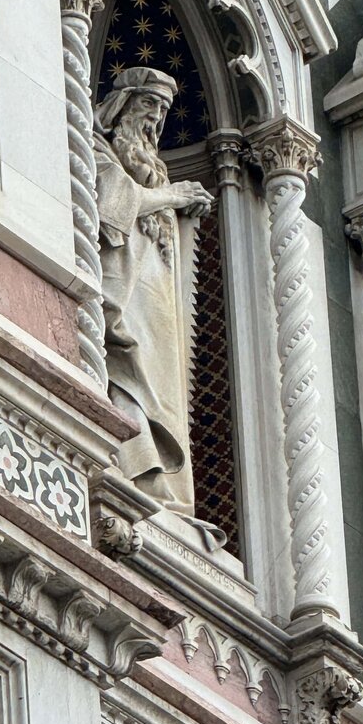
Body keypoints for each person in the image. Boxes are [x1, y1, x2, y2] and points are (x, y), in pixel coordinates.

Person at [94, 66, 214, 515]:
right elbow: (113, 204)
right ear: (122, 105)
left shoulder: (155, 174)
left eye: (162, 110)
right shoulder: (97, 151)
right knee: (125, 367)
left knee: (157, 386)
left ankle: (161, 485)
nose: (154, 118)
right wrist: (175, 196)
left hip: (155, 301)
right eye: (148, 104)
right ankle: (135, 469)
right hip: (121, 289)